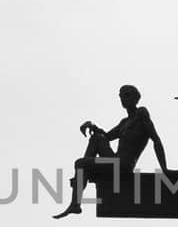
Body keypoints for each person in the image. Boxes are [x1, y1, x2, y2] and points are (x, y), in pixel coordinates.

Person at [54, 85, 168, 218]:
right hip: (115, 161)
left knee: (80, 163)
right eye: (121, 96)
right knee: (96, 138)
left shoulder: (141, 115)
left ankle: (76, 199)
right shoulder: (124, 122)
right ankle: (82, 176)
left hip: (123, 166)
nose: (123, 98)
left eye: (127, 95)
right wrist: (92, 125)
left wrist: (164, 169)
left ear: (136, 98)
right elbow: (106, 137)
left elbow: (156, 140)